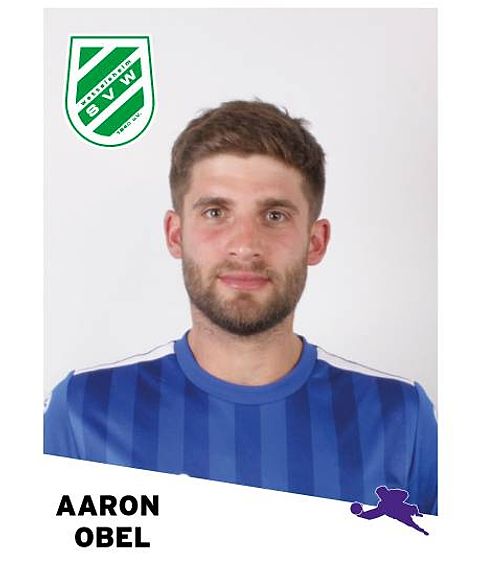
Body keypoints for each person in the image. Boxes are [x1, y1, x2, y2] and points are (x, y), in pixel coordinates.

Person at [44, 100, 437, 514]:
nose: (246, 245)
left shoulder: (401, 416)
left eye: (274, 215)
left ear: (315, 241)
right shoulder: (84, 410)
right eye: (216, 212)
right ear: (175, 235)